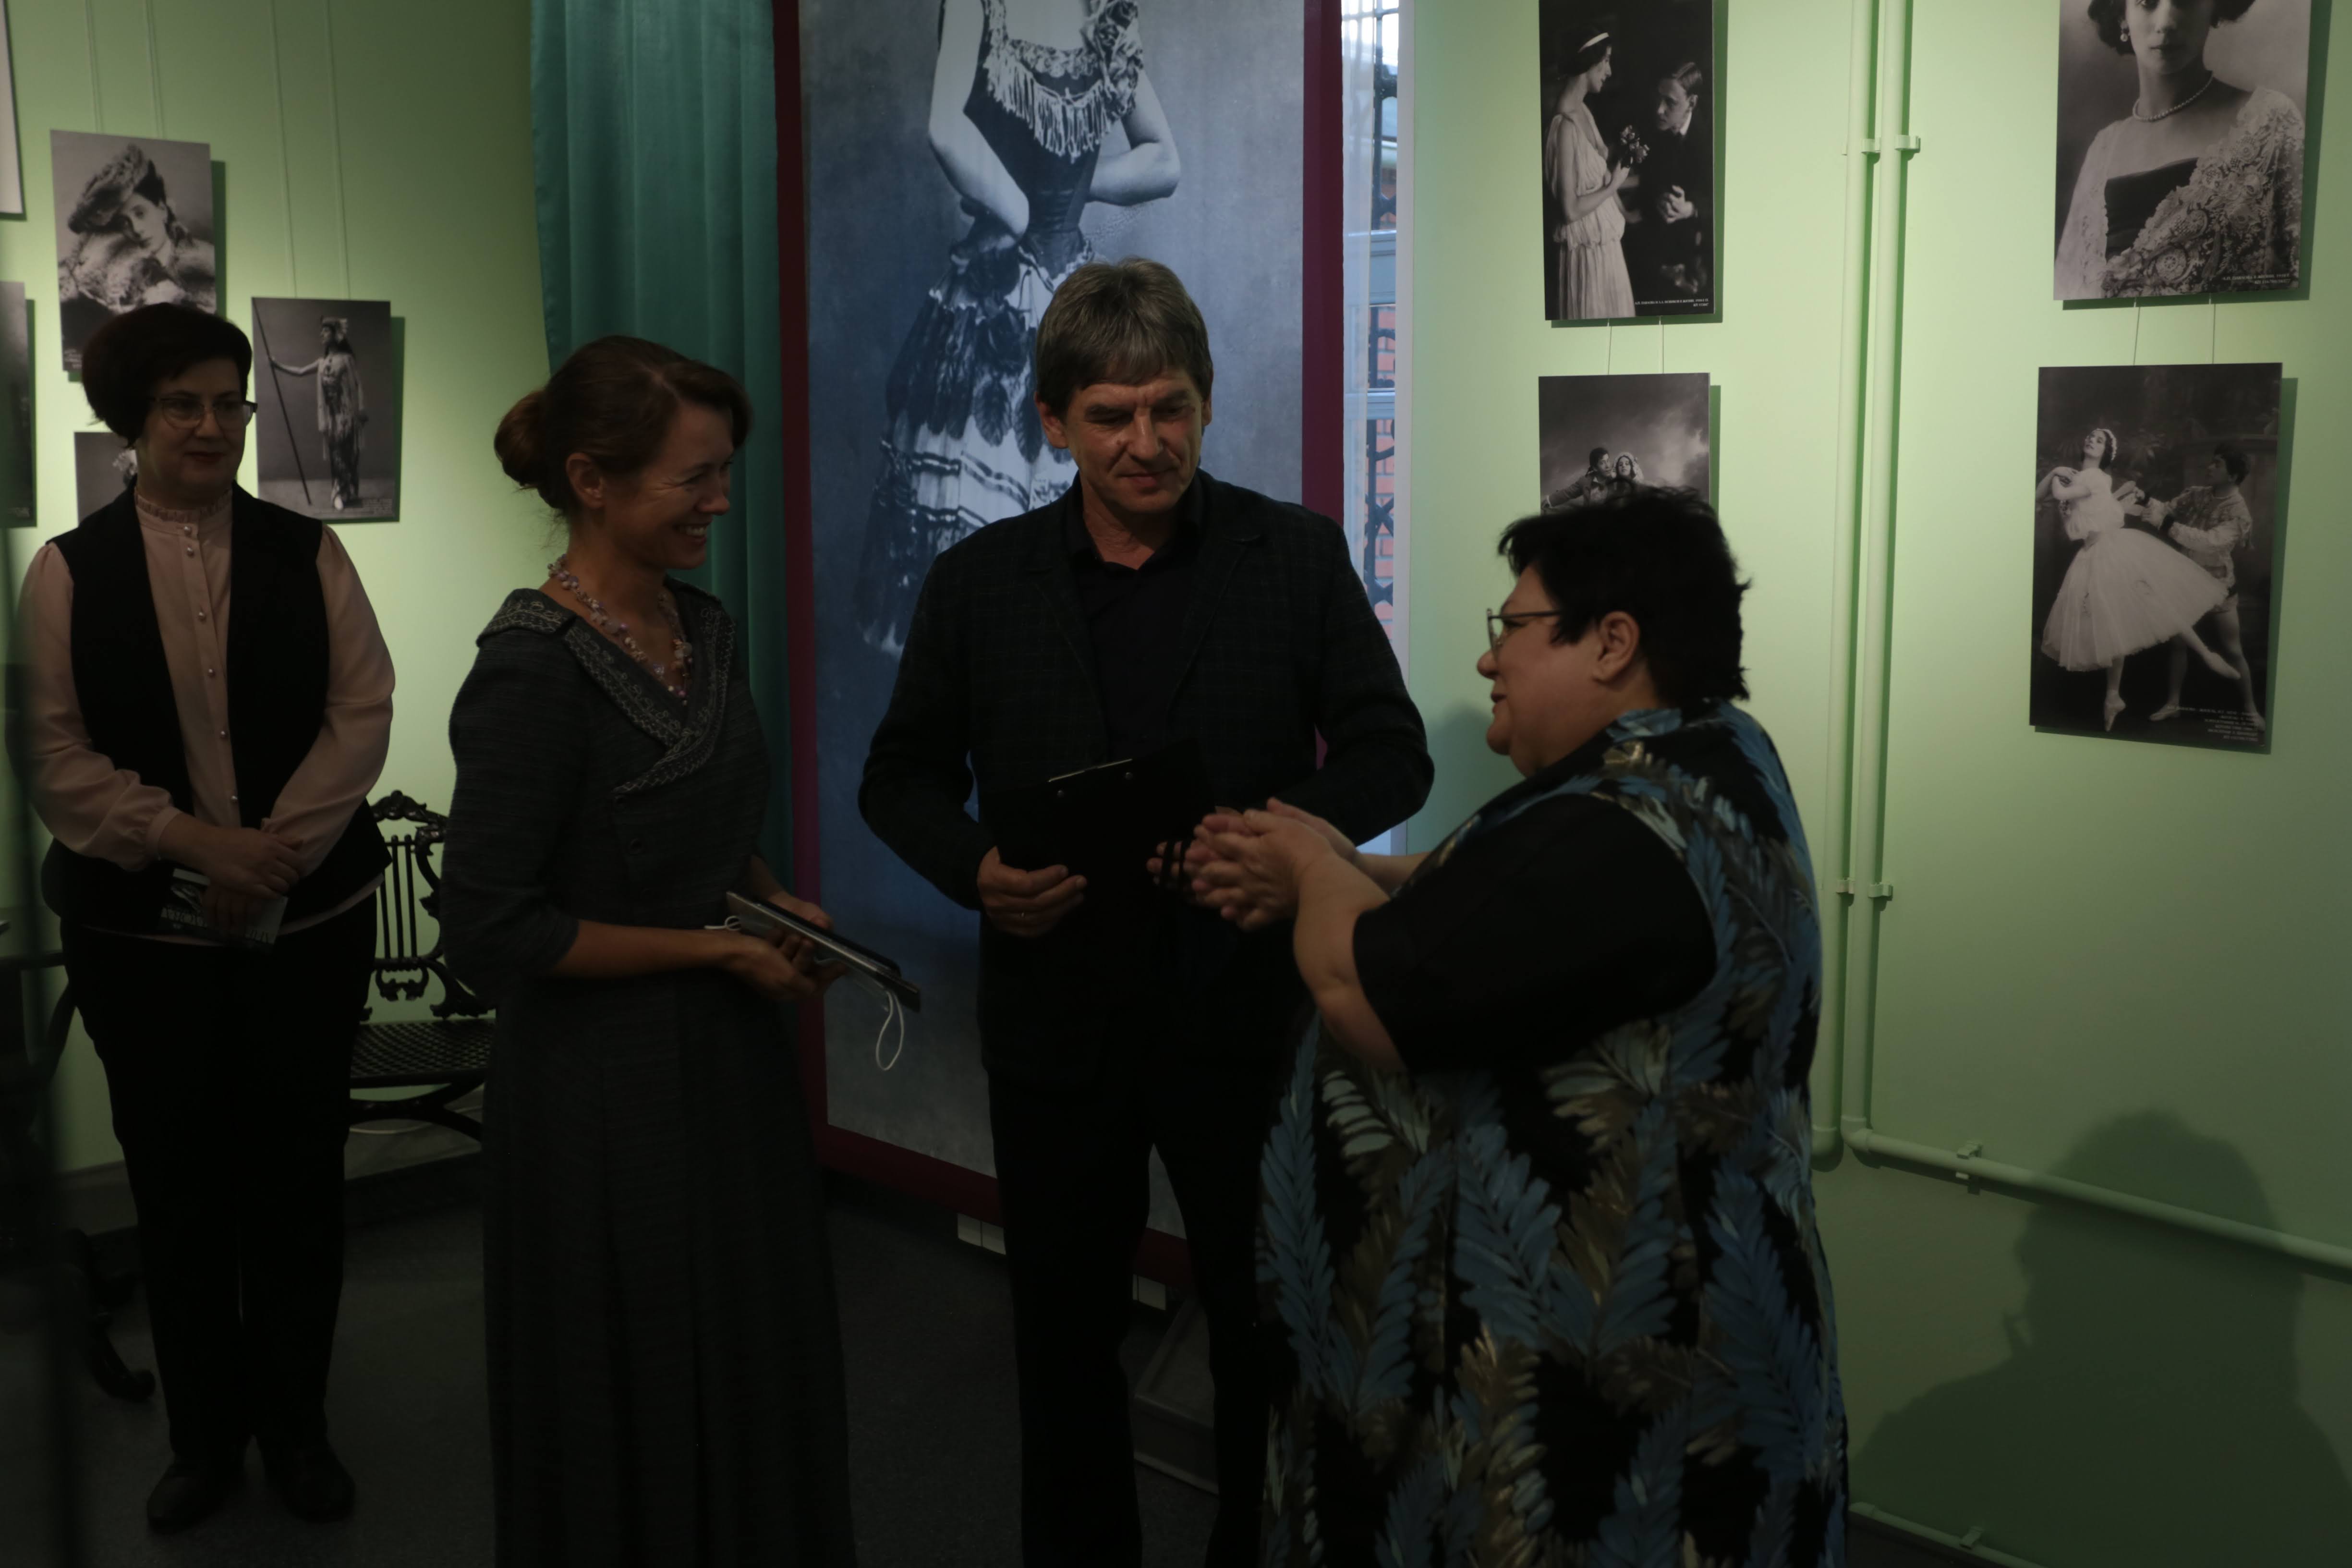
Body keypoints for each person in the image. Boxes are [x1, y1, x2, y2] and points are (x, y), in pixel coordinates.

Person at [860, 258, 1431, 1567]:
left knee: (1264, 1335)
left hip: (1243, 1018)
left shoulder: (1293, 555)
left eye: (1169, 407)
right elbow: (897, 778)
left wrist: (1278, 838)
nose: (1146, 440)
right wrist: (975, 868)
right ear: (1052, 422)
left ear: (1206, 402)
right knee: (1063, 1342)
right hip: (1055, 1023)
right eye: (1110, 415)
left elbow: (1391, 753)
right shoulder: (979, 580)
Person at [1180, 490, 1847, 1564]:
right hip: (1675, 1322)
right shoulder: (1701, 757)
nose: (1489, 660)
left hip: (1602, 1390)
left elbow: (1364, 991)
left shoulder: (1623, 833)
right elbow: (1495, 898)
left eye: (1514, 627)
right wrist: (1352, 867)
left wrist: (1309, 868)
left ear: (1612, 643)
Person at [443, 337, 855, 1566]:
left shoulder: (701, 627)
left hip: (727, 1071)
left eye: (725, 472)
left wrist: (774, 902)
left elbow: (707, 830)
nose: (720, 502)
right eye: (695, 478)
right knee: (635, 1375)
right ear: (591, 480)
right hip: (597, 1099)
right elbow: (491, 927)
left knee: (746, 1348)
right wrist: (714, 952)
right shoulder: (529, 670)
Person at [20, 304, 394, 1531]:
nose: (209, 426)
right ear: (131, 420)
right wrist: (198, 844)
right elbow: (56, 758)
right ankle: (202, 1442)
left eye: (227, 403)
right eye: (180, 404)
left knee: (297, 1186)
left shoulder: (311, 554)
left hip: (310, 928)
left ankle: (300, 1431)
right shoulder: (65, 572)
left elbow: (362, 711)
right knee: (176, 1193)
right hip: (144, 947)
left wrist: (273, 854)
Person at [854, 0, 1182, 653]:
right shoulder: (982, 4)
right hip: (993, 299)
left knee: (1087, 553)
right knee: (982, 575)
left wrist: (1072, 191)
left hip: (1069, 299)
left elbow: (1163, 162)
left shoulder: (1105, 15)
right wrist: (1026, 211)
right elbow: (945, 129)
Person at [2056, 0, 2304, 299]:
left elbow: (2301, 274)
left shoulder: (2270, 123)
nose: (2166, 23)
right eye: (2148, 3)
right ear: (2123, 16)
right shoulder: (2103, 148)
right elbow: (2069, 289)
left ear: (2214, 9)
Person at [2037, 427, 2236, 730]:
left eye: (2100, 440)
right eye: (2090, 437)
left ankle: (2206, 655)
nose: (2092, 440)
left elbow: (2061, 495)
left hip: (2112, 550)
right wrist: (2056, 473)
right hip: (2090, 555)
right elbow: (2042, 499)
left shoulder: (2096, 478)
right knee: (2114, 622)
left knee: (2152, 602)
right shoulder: (2080, 480)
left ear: (2106, 453)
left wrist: (2056, 475)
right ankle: (2113, 697)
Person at [58, 144, 219, 363]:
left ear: (162, 210)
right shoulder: (116, 266)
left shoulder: (201, 264)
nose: (136, 229)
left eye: (141, 214)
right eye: (123, 223)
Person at [2148, 442, 2264, 729]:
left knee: (2233, 649)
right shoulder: (2197, 494)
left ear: (2233, 476)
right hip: (2185, 581)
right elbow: (2165, 508)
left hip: (2217, 584)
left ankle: (2251, 709)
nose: (2209, 467)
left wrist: (2165, 525)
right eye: (2212, 462)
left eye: (2217, 464)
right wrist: (2144, 500)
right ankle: (2173, 704)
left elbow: (2209, 543)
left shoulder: (2239, 513)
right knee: (2179, 644)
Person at [1543, 28, 1637, 321]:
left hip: (1606, 247)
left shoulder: (1583, 111)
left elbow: (1600, 177)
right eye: (1606, 61)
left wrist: (1628, 212)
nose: (1609, 71)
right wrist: (1614, 186)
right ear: (1589, 61)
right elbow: (1570, 211)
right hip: (1585, 254)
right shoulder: (1563, 126)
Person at [1620, 60, 1712, 307]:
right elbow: (1648, 180)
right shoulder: (1650, 125)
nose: (1659, 110)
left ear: (1692, 103)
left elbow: (1727, 198)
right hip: (1650, 249)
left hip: (1698, 258)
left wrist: (1691, 208)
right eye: (1658, 98)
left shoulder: (1712, 136)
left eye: (1670, 103)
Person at [266, 315, 369, 511]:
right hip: (331, 418)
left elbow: (357, 385)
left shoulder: (346, 360)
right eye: (322, 331)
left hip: (347, 415)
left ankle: (345, 491)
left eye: (326, 331)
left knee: (348, 455)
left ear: (335, 334)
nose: (322, 334)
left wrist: (361, 409)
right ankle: (337, 492)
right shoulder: (322, 362)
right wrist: (278, 366)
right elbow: (300, 371)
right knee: (336, 454)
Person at [1541, 444, 1612, 511]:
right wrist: (1550, 500)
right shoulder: (1586, 481)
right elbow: (1568, 493)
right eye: (1602, 463)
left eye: (1608, 461)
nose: (1608, 466)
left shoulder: (1615, 478)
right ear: (1595, 468)